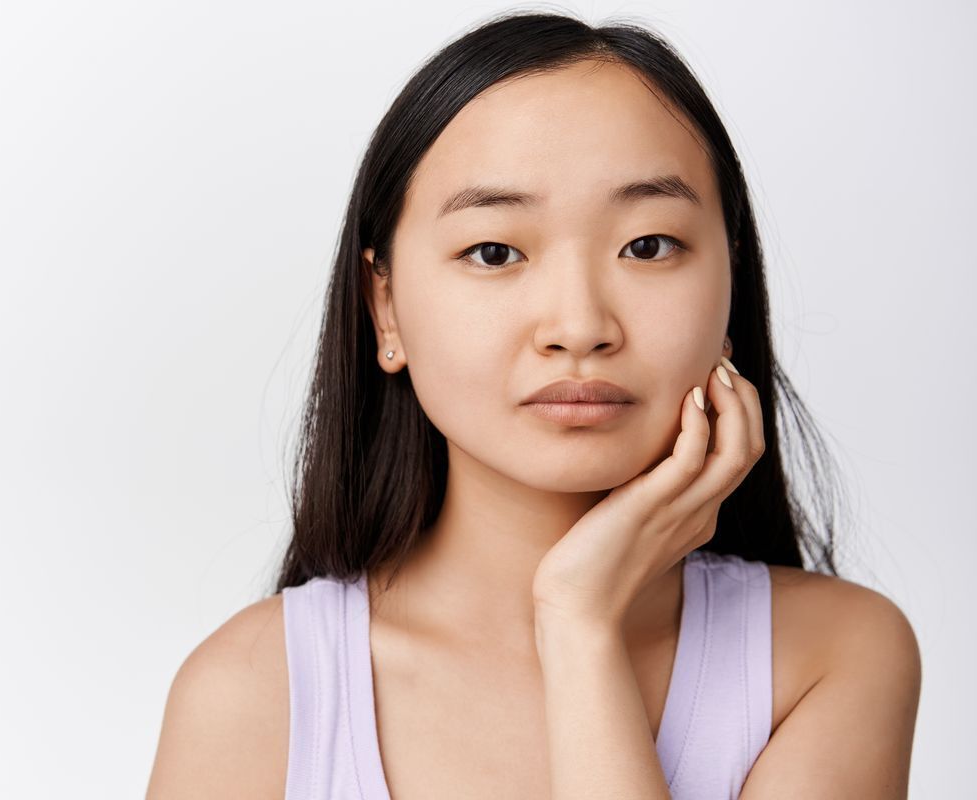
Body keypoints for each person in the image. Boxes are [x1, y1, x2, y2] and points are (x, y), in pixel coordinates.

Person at [146, 10, 920, 799]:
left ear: (730, 286)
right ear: (385, 307)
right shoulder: (254, 694)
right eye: (494, 251)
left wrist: (580, 626)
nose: (579, 326)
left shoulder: (827, 657)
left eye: (648, 246)